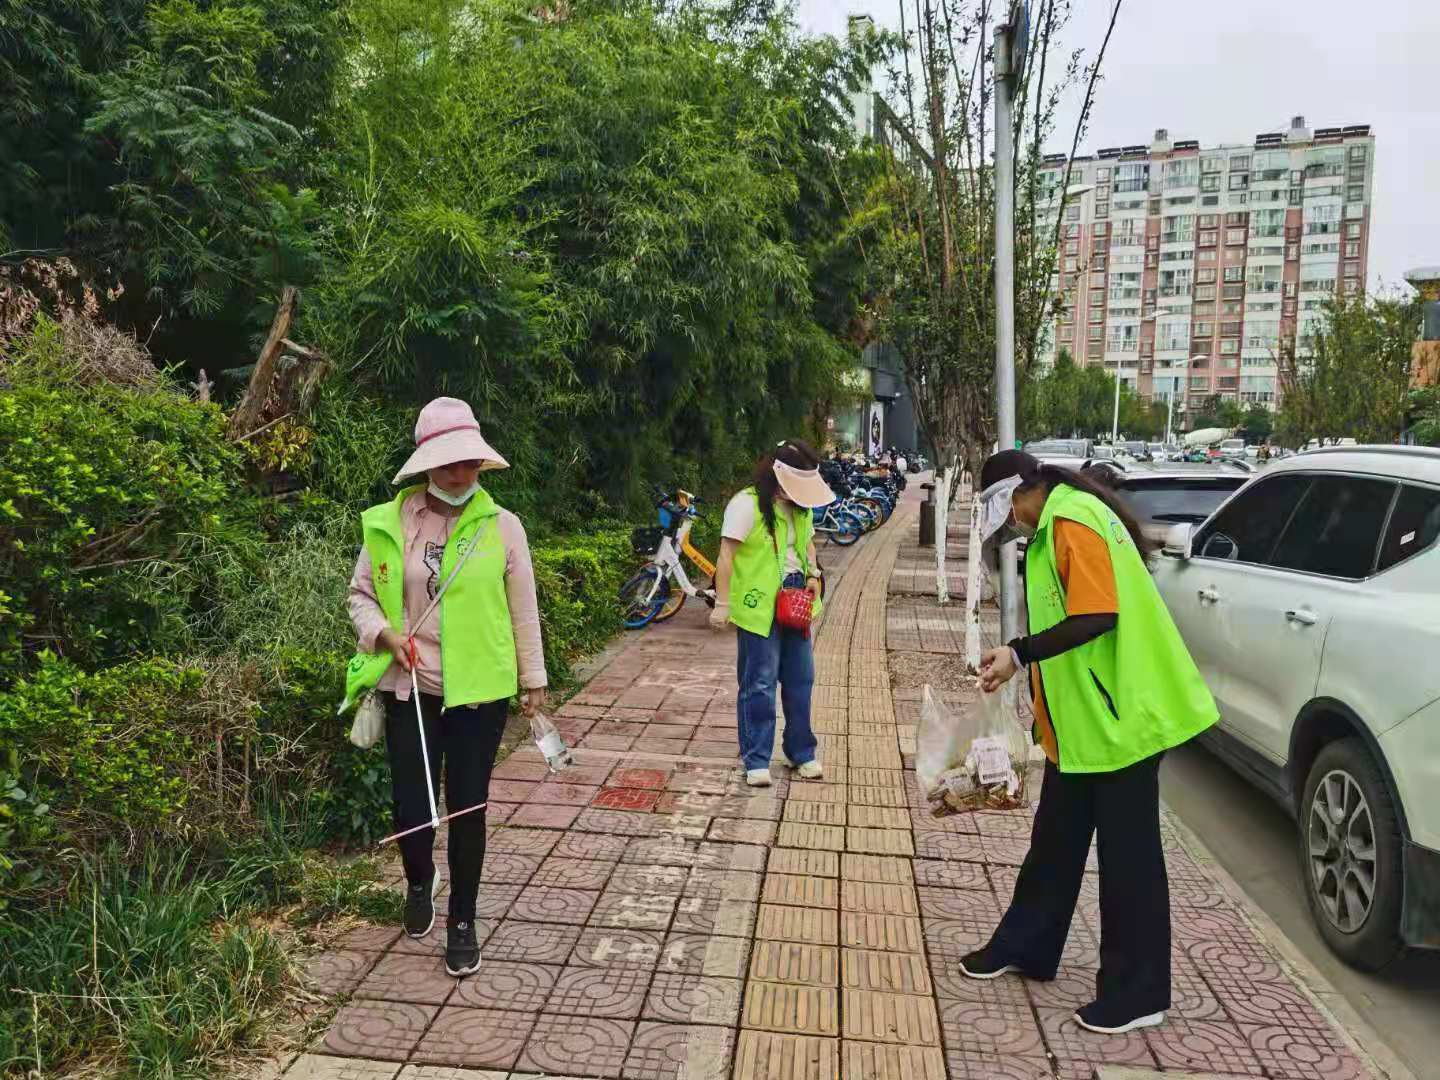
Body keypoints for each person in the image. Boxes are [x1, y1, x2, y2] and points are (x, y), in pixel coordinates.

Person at [961, 449, 1217, 1035]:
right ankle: (1027, 945)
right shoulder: (1056, 523)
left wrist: (1019, 653)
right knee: (1054, 843)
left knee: (1129, 863)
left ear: (1023, 492)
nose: (1012, 524)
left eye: (1009, 512)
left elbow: (1098, 614)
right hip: (1085, 725)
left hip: (1123, 722)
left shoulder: (1073, 519)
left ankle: (1138, 993)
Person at [344, 397, 546, 978]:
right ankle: (418, 880)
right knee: (412, 802)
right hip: (409, 685)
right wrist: (384, 636)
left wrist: (533, 679)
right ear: (427, 464)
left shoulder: (503, 527)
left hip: (480, 691)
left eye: (469, 463)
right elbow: (360, 595)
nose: (460, 474)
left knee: (468, 805)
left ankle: (462, 920)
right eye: (449, 463)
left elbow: (523, 609)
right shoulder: (389, 523)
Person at [709, 440, 835, 787]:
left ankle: (802, 753)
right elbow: (726, 556)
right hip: (759, 605)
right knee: (759, 684)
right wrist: (722, 604)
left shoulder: (801, 508)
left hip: (796, 601)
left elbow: (807, 544)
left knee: (801, 680)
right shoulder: (746, 504)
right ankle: (756, 759)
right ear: (777, 475)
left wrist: (814, 576)